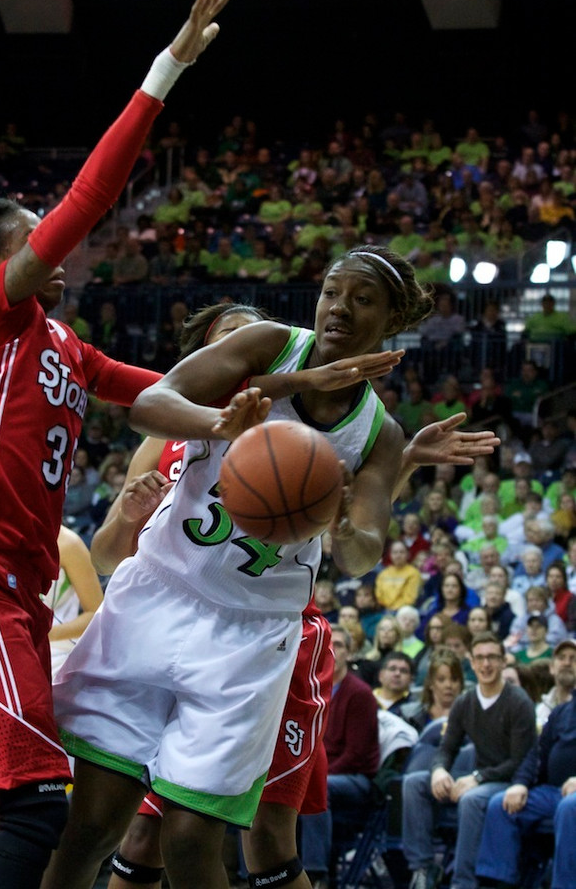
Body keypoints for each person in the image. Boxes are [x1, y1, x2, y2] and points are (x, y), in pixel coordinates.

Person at [0, 0, 237, 889]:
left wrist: (234, 414)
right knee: (40, 806)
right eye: (32, 234)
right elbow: (89, 198)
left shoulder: (63, 343)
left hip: (17, 590)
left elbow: (154, 395)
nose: (54, 240)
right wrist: (167, 68)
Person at [46, 244, 499, 889]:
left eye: (362, 299)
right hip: (159, 593)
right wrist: (224, 422)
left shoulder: (380, 435)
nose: (339, 307)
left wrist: (343, 520)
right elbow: (149, 404)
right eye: (332, 292)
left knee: (191, 837)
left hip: (252, 633)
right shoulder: (266, 345)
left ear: (391, 321)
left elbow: (361, 551)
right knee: (92, 825)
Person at [402, 632, 537, 889]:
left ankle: (463, 882)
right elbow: (447, 748)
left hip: (506, 781)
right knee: (414, 783)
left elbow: (520, 762)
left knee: (471, 799)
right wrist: (440, 770)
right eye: (480, 658)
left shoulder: (519, 702)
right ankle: (423, 868)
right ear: (472, 663)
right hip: (479, 776)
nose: (486, 664)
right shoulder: (465, 701)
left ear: (502, 662)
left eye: (492, 658)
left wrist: (477, 778)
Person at [298, 626, 380, 888]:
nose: (333, 649)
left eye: (341, 645)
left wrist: (314, 774)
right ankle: (254, 873)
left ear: (351, 653)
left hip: (355, 778)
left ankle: (315, 872)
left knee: (317, 786)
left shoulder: (360, 693)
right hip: (317, 770)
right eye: (329, 643)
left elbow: (355, 755)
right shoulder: (310, 687)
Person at [475, 683, 576, 889]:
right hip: (553, 792)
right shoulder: (563, 711)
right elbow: (536, 753)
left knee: (569, 808)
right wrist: (520, 783)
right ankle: (499, 883)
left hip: (572, 800)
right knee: (500, 805)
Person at [43, 526, 104, 678]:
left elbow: (97, 616)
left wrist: (48, 634)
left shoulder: (69, 544)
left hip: (56, 651)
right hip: (6, 641)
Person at [401, 647, 464, 732]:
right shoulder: (411, 718)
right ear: (431, 683)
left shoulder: (473, 717)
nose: (448, 685)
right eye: (441, 680)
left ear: (461, 683)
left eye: (454, 679)